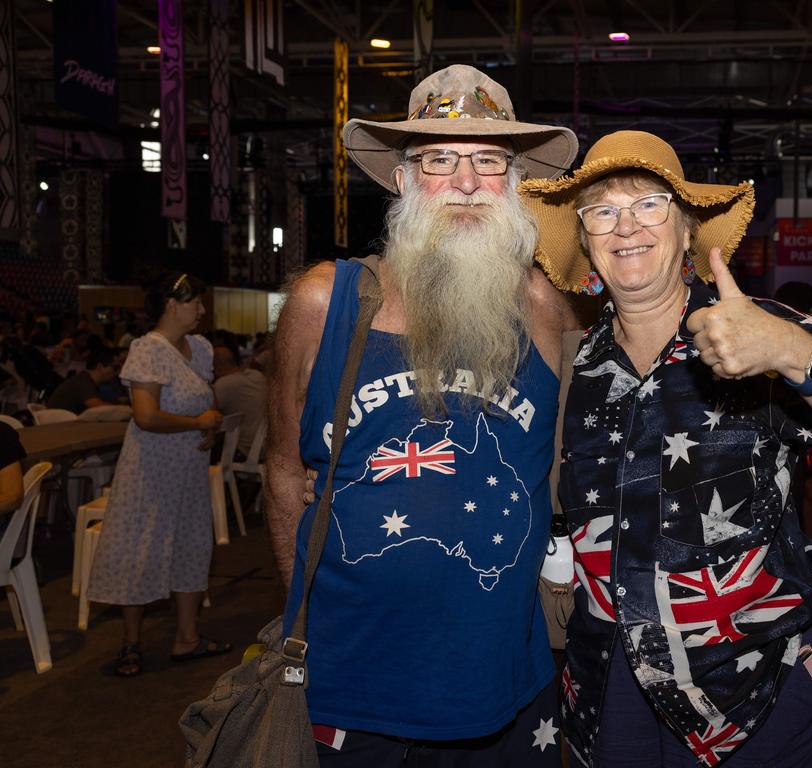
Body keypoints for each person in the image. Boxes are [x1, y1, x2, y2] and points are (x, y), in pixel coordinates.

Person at [519, 130, 812, 767]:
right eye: (602, 210)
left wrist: (791, 351)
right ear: (588, 241)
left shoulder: (765, 329)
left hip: (754, 690)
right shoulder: (571, 365)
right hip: (611, 689)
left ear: (685, 230)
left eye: (649, 203)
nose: (626, 225)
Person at [266, 64, 579, 765]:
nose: (466, 182)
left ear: (514, 181)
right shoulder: (326, 301)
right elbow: (286, 473)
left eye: (488, 161)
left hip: (507, 684)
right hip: (352, 685)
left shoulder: (548, 310)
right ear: (404, 179)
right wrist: (301, 626)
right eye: (439, 160)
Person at [87, 272, 228, 678]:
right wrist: (195, 421)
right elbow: (146, 416)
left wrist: (209, 425)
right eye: (196, 302)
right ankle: (130, 642)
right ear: (172, 303)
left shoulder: (199, 348)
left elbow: (205, 401)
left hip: (187, 468)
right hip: (150, 470)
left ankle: (187, 637)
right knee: (140, 547)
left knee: (190, 544)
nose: (202, 310)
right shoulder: (147, 349)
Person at [212, 340, 267, 457]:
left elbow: (210, 414)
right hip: (269, 444)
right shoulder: (257, 375)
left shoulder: (222, 384)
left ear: (214, 366)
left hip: (246, 449)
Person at [45, 347, 119, 414]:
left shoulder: (85, 379)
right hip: (55, 425)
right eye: (115, 368)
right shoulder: (84, 381)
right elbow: (100, 407)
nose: (119, 372)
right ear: (100, 367)